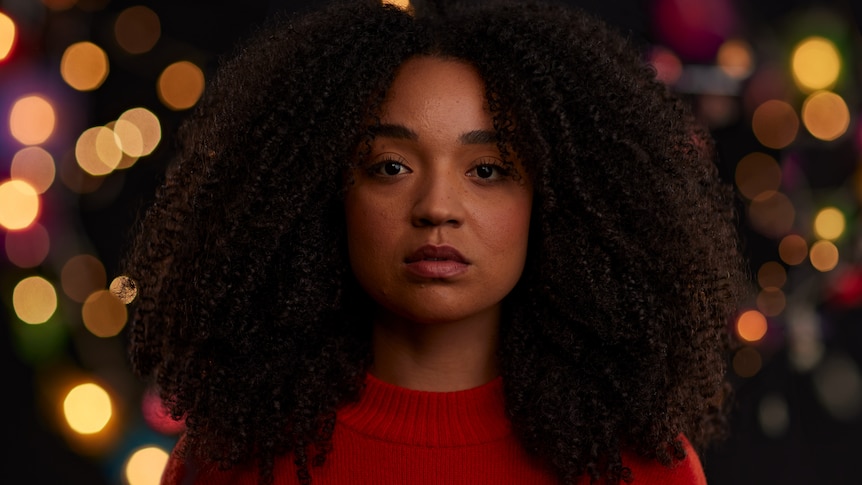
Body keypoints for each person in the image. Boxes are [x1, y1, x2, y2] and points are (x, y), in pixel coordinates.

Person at [120, 0, 747, 483]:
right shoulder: (232, 458)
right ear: (324, 195)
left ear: (555, 204)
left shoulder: (638, 464)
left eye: (488, 170)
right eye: (391, 167)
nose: (437, 209)